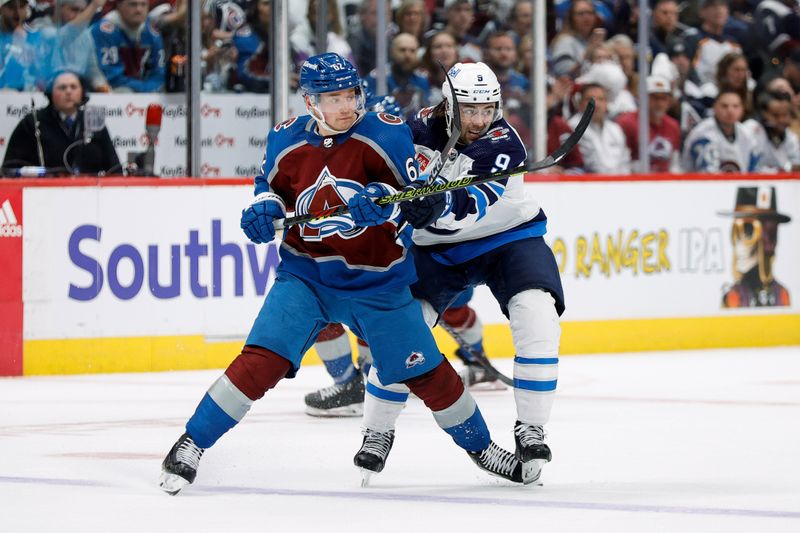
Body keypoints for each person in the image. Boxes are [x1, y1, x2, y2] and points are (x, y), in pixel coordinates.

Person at [157, 53, 537, 495]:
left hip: (379, 283)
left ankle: (482, 447)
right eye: (333, 98)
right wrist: (263, 210)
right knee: (259, 363)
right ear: (309, 101)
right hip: (306, 278)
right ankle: (190, 443)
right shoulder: (285, 138)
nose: (346, 106)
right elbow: (270, 189)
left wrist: (386, 200)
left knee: (428, 374)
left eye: (351, 94)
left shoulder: (388, 133)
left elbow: (413, 200)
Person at [353, 62, 565, 485]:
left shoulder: (504, 144)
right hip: (438, 250)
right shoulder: (415, 130)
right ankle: (377, 431)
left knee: (537, 313)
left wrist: (434, 208)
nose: (480, 120)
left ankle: (532, 428)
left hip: (508, 238)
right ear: (448, 105)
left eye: (488, 110)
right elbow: (375, 170)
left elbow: (471, 207)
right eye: (470, 110)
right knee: (403, 333)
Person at [2, 70, 120, 175]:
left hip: (91, 192)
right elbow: (9, 169)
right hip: (43, 193)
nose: (68, 92)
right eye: (62, 88)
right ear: (50, 93)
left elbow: (115, 169)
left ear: (82, 92)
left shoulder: (93, 121)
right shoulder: (33, 122)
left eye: (73, 87)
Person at [720, 186, 791, 307]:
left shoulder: (781, 294)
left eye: (748, 231)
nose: (739, 246)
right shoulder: (734, 296)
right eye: (736, 231)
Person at [90, 0, 165, 92]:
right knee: (124, 91)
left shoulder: (152, 31)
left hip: (144, 88)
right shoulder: (105, 31)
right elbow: (111, 76)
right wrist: (144, 90)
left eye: (143, 4)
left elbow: (159, 72)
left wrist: (149, 88)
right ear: (119, 5)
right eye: (133, 4)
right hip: (113, 90)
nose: (139, 9)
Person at [682, 89, 760, 172]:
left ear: (742, 109)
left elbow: (754, 170)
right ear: (714, 107)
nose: (730, 111)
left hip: (738, 183)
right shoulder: (703, 133)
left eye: (735, 106)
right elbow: (707, 174)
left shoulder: (746, 134)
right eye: (724, 106)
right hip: (699, 183)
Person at [615, 75, 682, 173]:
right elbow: (619, 162)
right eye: (654, 98)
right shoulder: (626, 123)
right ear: (642, 98)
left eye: (664, 98)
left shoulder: (673, 126)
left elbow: (674, 163)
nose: (660, 104)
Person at [743, 90, 800, 172]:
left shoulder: (790, 137)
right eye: (776, 115)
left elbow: (796, 164)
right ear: (763, 113)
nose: (782, 120)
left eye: (785, 115)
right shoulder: (750, 130)